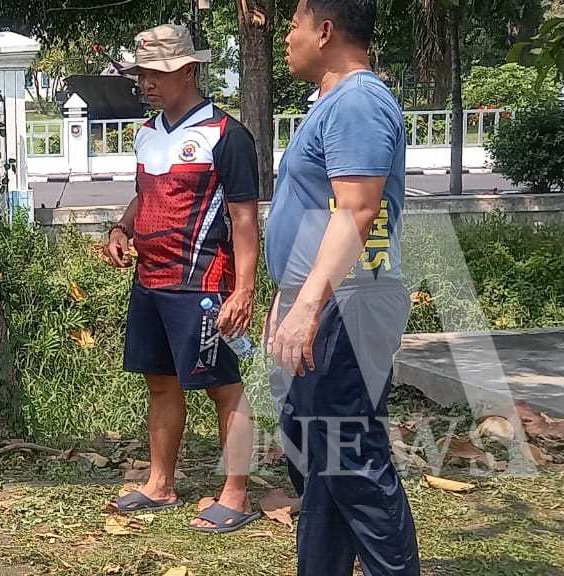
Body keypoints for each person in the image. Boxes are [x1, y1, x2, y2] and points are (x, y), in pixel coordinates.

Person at [269, 1, 421, 574]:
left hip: (349, 304)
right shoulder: (334, 104)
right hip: (327, 302)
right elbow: (319, 211)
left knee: (350, 460)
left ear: (325, 30)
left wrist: (308, 305)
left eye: (294, 24)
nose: (287, 35)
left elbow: (356, 212)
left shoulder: (357, 101)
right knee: (317, 457)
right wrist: (287, 300)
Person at [103, 23, 262, 534]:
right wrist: (121, 227)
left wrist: (244, 290)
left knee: (224, 387)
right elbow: (145, 195)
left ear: (190, 70)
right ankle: (160, 484)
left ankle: (236, 494)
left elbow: (243, 218)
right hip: (150, 281)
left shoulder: (227, 136)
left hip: (204, 285)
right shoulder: (147, 133)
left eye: (159, 73)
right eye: (142, 74)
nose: (148, 82)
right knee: (159, 382)